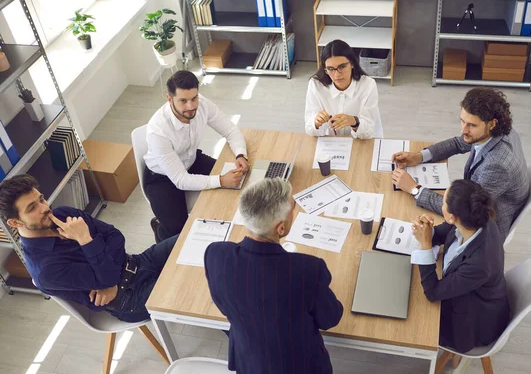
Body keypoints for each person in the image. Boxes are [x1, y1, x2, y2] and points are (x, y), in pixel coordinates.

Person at [204, 178, 344, 374]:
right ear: (280, 228)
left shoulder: (215, 254)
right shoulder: (309, 270)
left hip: (249, 362)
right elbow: (331, 319)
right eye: (293, 207)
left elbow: (223, 304)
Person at [0, 174, 177, 323]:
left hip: (138, 262)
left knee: (195, 238)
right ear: (15, 222)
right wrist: (85, 238)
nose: (45, 208)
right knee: (192, 280)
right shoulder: (45, 270)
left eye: (41, 199)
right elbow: (108, 273)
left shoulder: (63, 214)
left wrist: (108, 281)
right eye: (32, 208)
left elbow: (115, 236)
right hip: (130, 299)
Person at [391, 87, 529, 239]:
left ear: (492, 124)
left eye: (472, 125)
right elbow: (459, 143)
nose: (463, 130)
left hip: (485, 227)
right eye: (462, 121)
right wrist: (419, 156)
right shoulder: (495, 131)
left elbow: (465, 209)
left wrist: (414, 189)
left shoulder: (497, 165)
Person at [144, 70, 249, 242]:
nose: (191, 106)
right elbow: (180, 179)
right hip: (162, 178)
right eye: (183, 101)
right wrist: (221, 180)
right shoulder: (158, 131)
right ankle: (159, 227)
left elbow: (230, 130)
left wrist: (240, 155)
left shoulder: (203, 105)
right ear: (169, 99)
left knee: (240, 181)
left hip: (191, 161)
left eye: (194, 98)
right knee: (178, 234)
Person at [410, 179, 510, 356]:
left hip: (471, 322)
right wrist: (428, 231)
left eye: (443, 203)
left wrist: (425, 245)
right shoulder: (476, 219)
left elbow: (433, 293)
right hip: (472, 293)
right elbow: (444, 232)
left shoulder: (479, 264)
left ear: (451, 216)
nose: (441, 204)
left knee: (414, 320)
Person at [305, 39, 383, 139]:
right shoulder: (315, 85)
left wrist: (354, 122)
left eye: (342, 66)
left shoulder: (368, 85)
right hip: (330, 144)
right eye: (331, 69)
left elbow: (369, 131)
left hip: (361, 142)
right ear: (325, 69)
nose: (337, 74)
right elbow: (309, 128)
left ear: (352, 64)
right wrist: (315, 123)